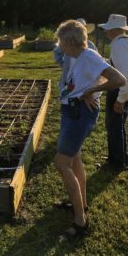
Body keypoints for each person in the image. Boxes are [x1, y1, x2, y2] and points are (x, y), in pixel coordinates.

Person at [54, 20, 126, 241]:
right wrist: (89, 89)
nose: (59, 46)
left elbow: (119, 79)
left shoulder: (89, 56)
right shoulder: (78, 56)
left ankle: (80, 221)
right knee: (74, 159)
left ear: (69, 41)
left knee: (61, 162)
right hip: (72, 112)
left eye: (60, 42)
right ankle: (81, 204)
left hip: (79, 115)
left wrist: (92, 90)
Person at [98, 14, 128, 169]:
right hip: (124, 90)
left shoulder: (117, 45)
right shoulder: (125, 42)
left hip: (120, 90)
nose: (106, 32)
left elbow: (125, 74)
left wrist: (120, 99)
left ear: (115, 30)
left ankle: (116, 163)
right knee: (119, 124)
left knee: (114, 125)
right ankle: (121, 157)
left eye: (108, 29)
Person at [53, 18, 97, 93]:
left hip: (83, 81)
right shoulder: (66, 43)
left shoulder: (90, 45)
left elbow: (95, 64)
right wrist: (64, 64)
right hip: (68, 78)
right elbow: (56, 52)